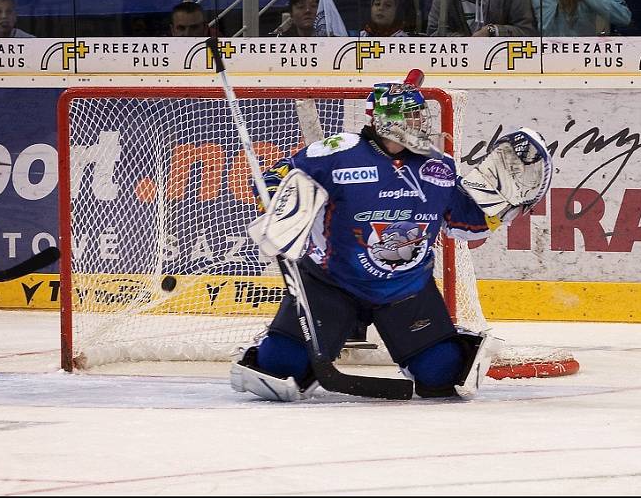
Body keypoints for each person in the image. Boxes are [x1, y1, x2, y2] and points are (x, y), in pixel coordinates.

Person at [231, 72, 553, 401]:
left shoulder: (437, 166)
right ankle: (273, 341)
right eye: (411, 116)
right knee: (277, 367)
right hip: (332, 283)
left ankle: (443, 342)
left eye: (420, 115)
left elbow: (463, 224)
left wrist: (503, 209)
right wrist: (274, 198)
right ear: (385, 121)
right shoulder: (337, 152)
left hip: (406, 289)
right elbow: (276, 175)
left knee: (442, 375)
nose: (420, 123)